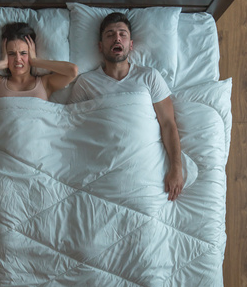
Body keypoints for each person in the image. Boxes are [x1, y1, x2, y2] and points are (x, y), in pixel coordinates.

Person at [68, 12, 183, 202]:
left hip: (145, 171)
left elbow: (168, 123)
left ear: (130, 45)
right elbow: (70, 129)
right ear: (100, 46)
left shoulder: (149, 77)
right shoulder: (86, 83)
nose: (117, 38)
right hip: (102, 171)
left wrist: (176, 168)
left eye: (122, 34)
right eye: (110, 35)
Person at [0, 22, 78, 101]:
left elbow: (72, 71)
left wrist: (36, 61)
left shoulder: (45, 83)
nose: (18, 59)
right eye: (11, 54)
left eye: (23, 53)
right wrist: (2, 63)